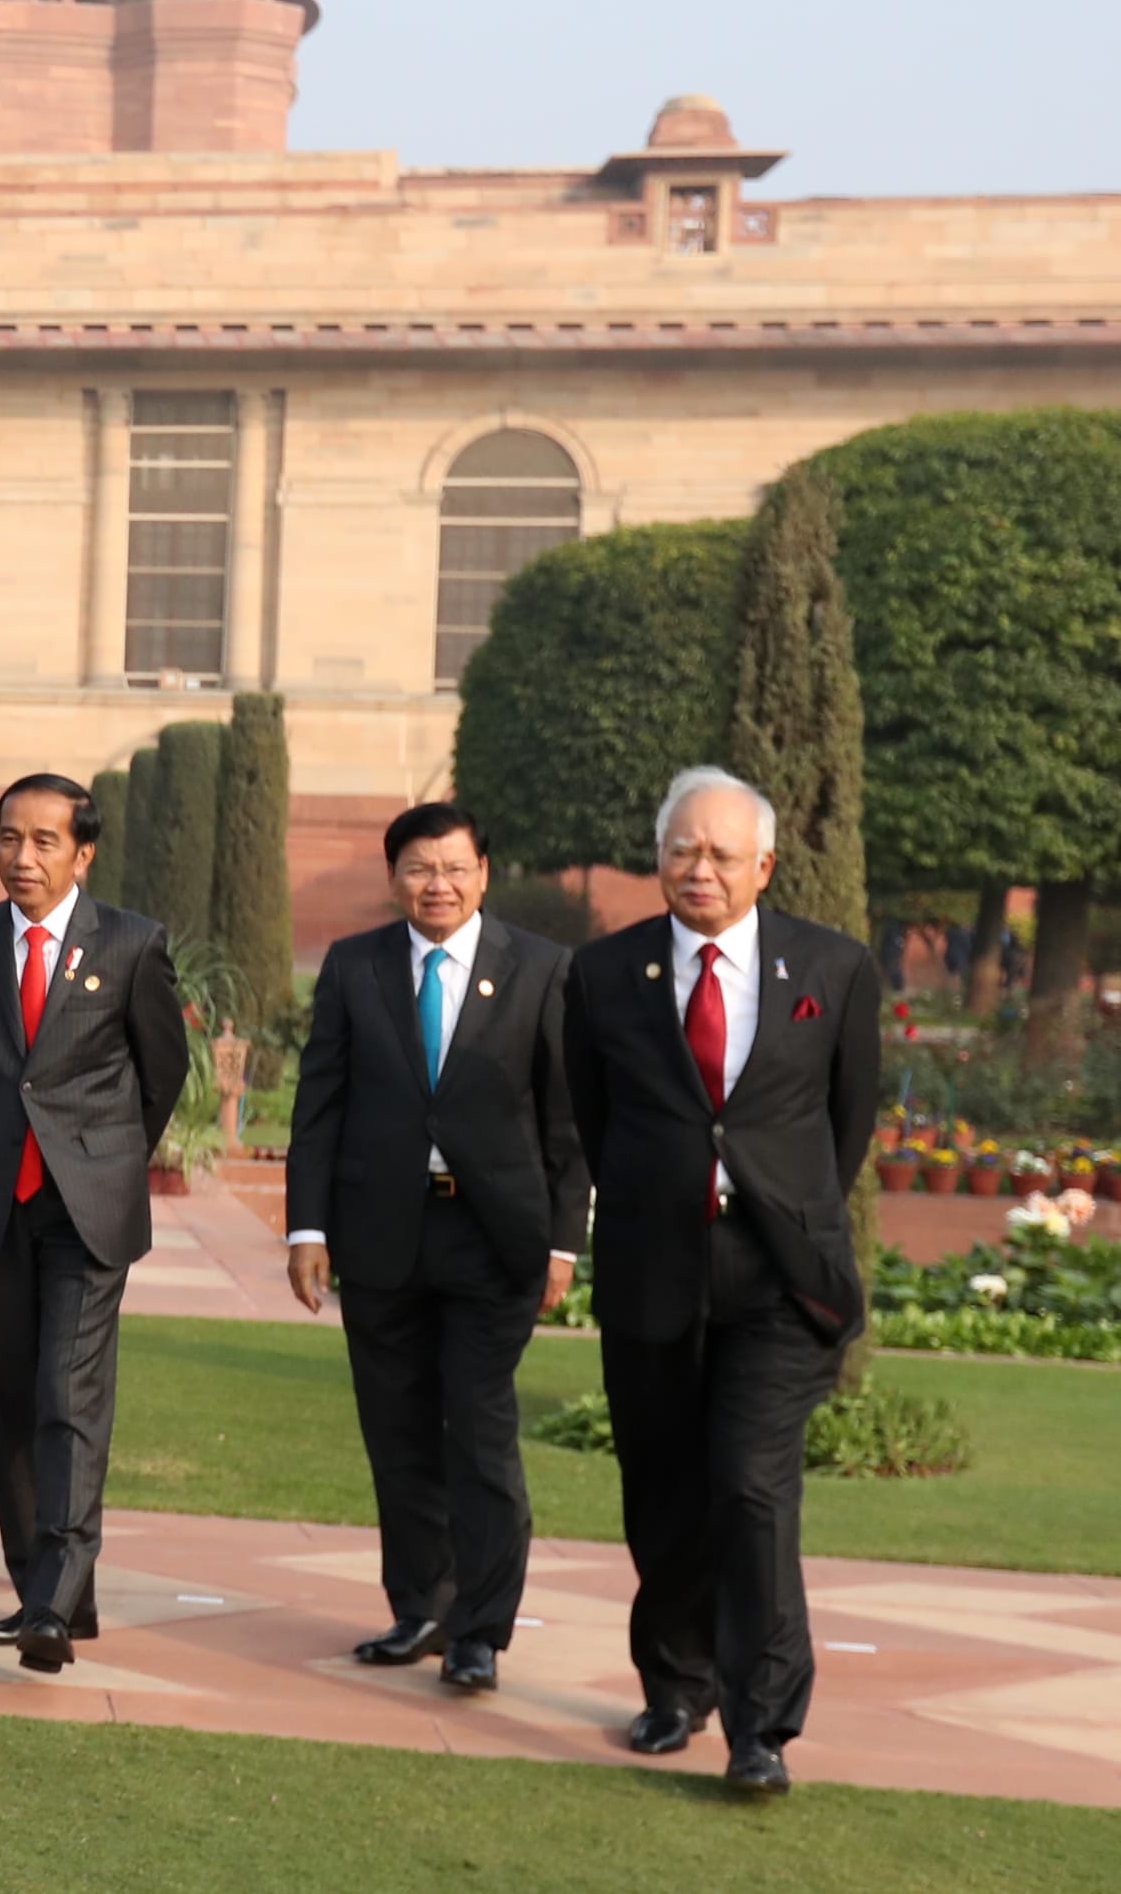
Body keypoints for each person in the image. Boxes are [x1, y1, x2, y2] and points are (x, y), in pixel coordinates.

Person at [565, 767, 878, 1795]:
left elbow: (843, 1127)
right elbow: (593, 1117)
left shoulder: (830, 969)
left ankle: (760, 1725)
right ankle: (673, 1684)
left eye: (719, 854)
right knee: (663, 1492)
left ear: (763, 867)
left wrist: (779, 1206)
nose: (697, 870)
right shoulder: (604, 973)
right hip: (652, 1265)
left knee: (749, 1484)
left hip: (777, 1275)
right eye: (680, 851)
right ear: (658, 856)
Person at [285, 801, 585, 1692]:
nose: (438, 884)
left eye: (455, 867)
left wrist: (566, 1243)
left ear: (484, 873)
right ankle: (420, 1605)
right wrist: (309, 1228)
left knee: (480, 1430)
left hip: (496, 1239)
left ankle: (480, 1629)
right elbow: (320, 1105)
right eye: (420, 868)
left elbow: (571, 1122)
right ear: (394, 878)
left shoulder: (540, 969)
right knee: (399, 1431)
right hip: (383, 1235)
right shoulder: (355, 966)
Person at [0, 772, 184, 1675]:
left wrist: (102, 1160)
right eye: (9, 838)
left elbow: (161, 1073)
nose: (22, 856)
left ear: (83, 852)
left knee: (67, 1395)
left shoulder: (130, 943)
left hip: (83, 1213)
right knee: (5, 1407)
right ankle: (46, 1592)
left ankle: (53, 1603)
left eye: (45, 841)